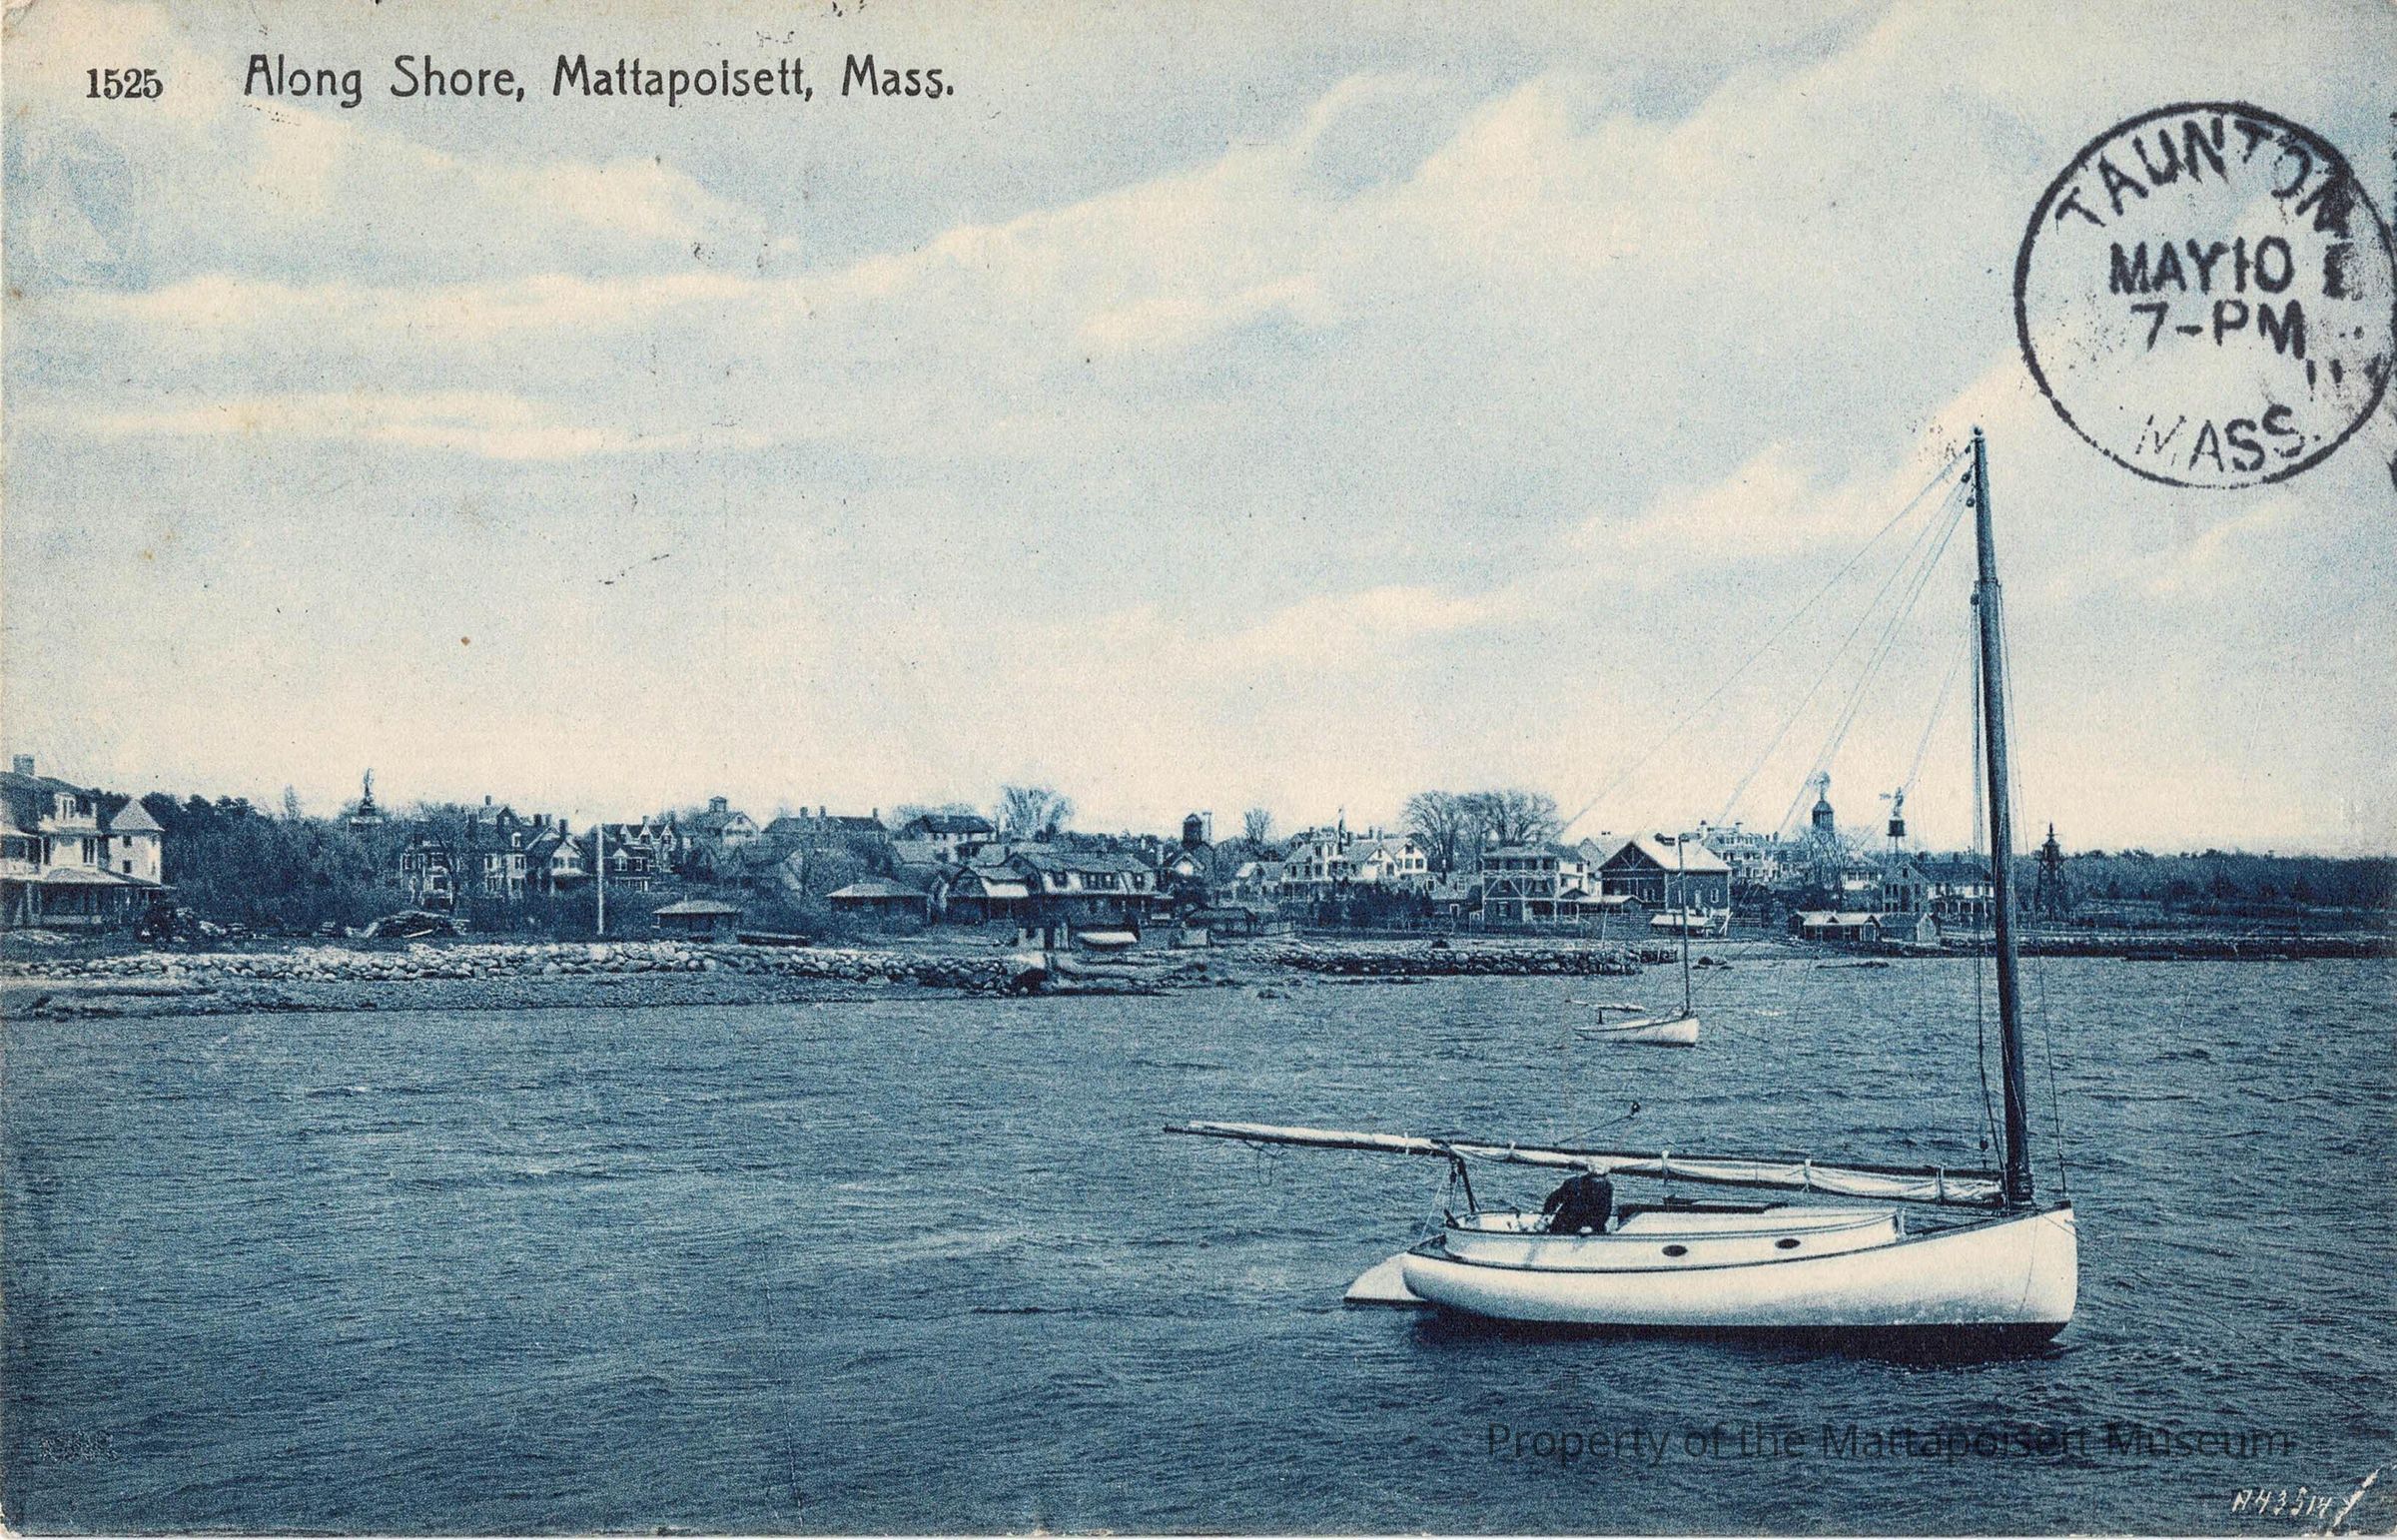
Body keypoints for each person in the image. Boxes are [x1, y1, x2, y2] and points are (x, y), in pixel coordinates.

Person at [1540, 1169, 1615, 1235]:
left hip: (1589, 1230)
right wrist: (1547, 1214)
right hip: (1562, 1227)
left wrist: (1591, 1227)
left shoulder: (1606, 1188)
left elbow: (1604, 1213)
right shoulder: (1573, 1183)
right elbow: (1554, 1198)